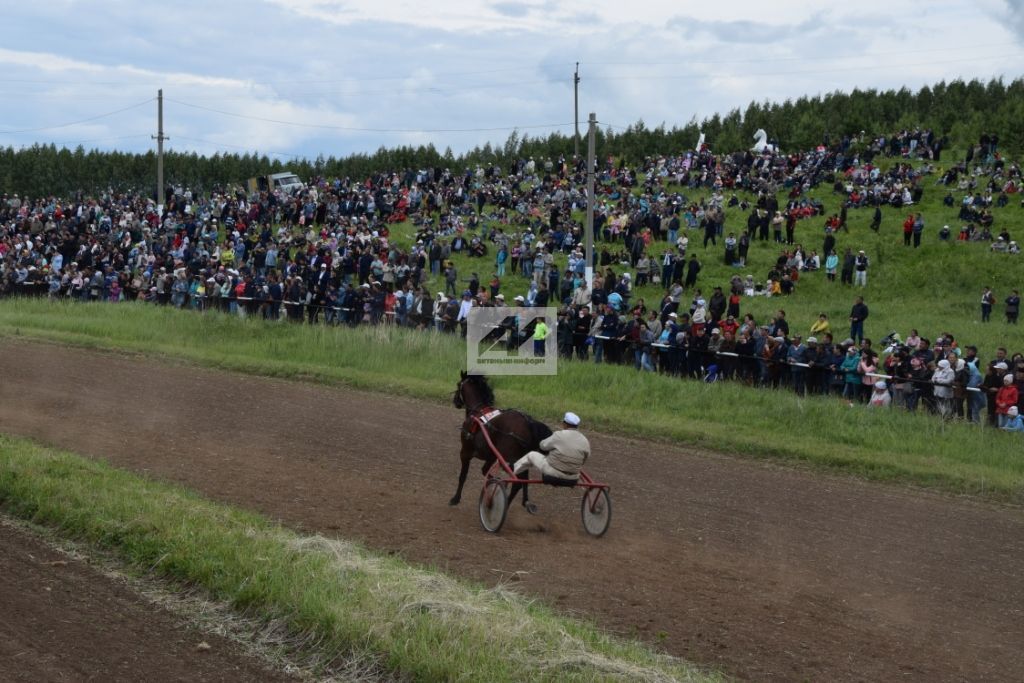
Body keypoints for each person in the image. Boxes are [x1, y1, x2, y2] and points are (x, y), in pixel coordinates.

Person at [513, 411, 591, 506]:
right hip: (573, 477)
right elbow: (585, 458)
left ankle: (513, 473)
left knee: (531, 455)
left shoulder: (559, 435)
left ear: (564, 424)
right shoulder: (584, 440)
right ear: (577, 426)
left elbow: (543, 446)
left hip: (553, 473)